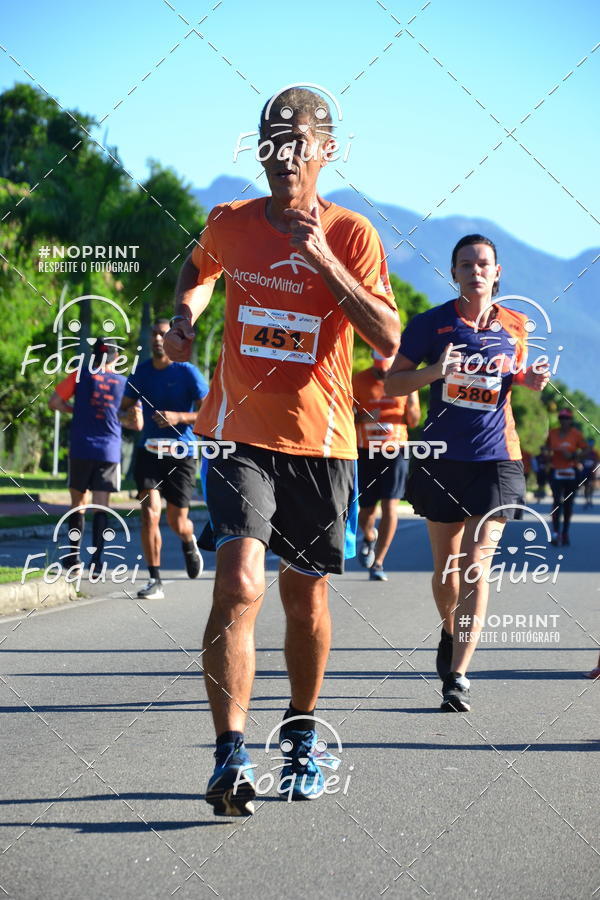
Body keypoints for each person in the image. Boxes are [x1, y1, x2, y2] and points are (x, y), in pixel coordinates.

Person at [164, 86, 400, 814]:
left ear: (327, 150)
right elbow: (198, 272)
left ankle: (299, 732)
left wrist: (323, 259)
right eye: (269, 140)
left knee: (304, 600)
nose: (281, 155)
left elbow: (389, 337)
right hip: (239, 434)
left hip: (322, 443)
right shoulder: (230, 223)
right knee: (239, 582)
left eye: (296, 141)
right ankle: (230, 756)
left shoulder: (353, 234)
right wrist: (183, 317)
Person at [386, 234, 549, 713]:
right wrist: (436, 371)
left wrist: (530, 380)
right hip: (441, 458)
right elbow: (394, 382)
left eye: (484, 264)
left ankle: (457, 673)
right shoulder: (430, 325)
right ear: (453, 272)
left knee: (476, 564)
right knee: (447, 569)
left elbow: (513, 376)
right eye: (466, 264)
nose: (476, 271)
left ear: (498, 273)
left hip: (498, 457)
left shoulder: (516, 325)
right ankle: (448, 628)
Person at [121, 318, 208, 599]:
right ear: (150, 339)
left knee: (176, 521)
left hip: (181, 453)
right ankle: (154, 579)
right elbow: (121, 411)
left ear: (172, 339)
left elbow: (208, 412)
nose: (158, 339)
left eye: (163, 334)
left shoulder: (188, 372)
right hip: (149, 452)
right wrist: (129, 417)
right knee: (149, 513)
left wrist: (179, 417)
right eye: (155, 334)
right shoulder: (141, 373)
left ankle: (188, 539)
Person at [48, 337, 133, 571]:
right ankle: (97, 561)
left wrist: (74, 410)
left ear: (94, 355)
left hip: (81, 447)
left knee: (78, 504)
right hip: (109, 451)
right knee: (102, 506)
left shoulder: (79, 374)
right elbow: (134, 418)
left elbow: (54, 402)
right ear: (116, 357)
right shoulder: (124, 383)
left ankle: (73, 558)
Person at [353, 350, 420, 581]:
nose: (383, 373)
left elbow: (413, 421)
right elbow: (345, 415)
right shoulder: (358, 380)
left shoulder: (405, 381)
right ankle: (369, 535)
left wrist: (411, 399)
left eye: (387, 369)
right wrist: (364, 417)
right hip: (366, 450)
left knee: (390, 506)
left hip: (396, 450)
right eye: (380, 369)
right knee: (366, 509)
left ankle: (379, 562)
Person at [545, 409, 587, 546]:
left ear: (571, 420)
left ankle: (565, 533)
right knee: (557, 501)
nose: (564, 420)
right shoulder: (552, 433)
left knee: (568, 504)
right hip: (556, 471)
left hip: (571, 472)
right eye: (561, 418)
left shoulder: (576, 434)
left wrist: (573, 456)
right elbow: (546, 448)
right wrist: (547, 453)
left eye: (566, 418)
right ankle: (555, 532)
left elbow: (586, 450)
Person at [581, 439, 598, 508]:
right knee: (586, 486)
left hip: (592, 471)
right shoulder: (584, 452)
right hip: (585, 471)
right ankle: (586, 500)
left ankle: (590, 499)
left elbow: (597, 461)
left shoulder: (595, 452)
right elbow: (580, 460)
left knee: (591, 486)